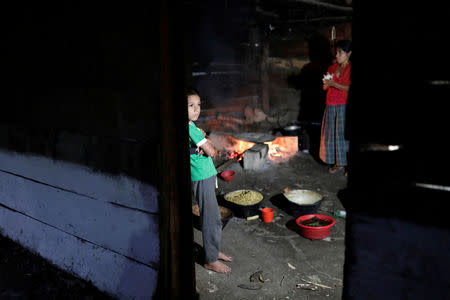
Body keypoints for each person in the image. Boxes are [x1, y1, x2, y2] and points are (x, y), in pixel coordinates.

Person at [187, 88, 233, 274]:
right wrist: (206, 142)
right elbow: (212, 152)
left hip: (204, 175)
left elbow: (205, 147)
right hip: (201, 176)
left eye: (198, 105)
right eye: (191, 105)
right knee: (211, 219)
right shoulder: (190, 128)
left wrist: (204, 141)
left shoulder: (192, 127)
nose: (196, 109)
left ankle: (212, 251)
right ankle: (210, 260)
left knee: (213, 217)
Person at [320, 39, 352, 176]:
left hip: (344, 105)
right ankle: (339, 163)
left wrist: (334, 83)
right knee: (332, 136)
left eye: (341, 52)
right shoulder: (332, 67)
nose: (337, 55)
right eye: (336, 52)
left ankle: (349, 166)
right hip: (330, 105)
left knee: (344, 136)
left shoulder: (351, 68)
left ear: (349, 53)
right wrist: (327, 84)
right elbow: (325, 87)